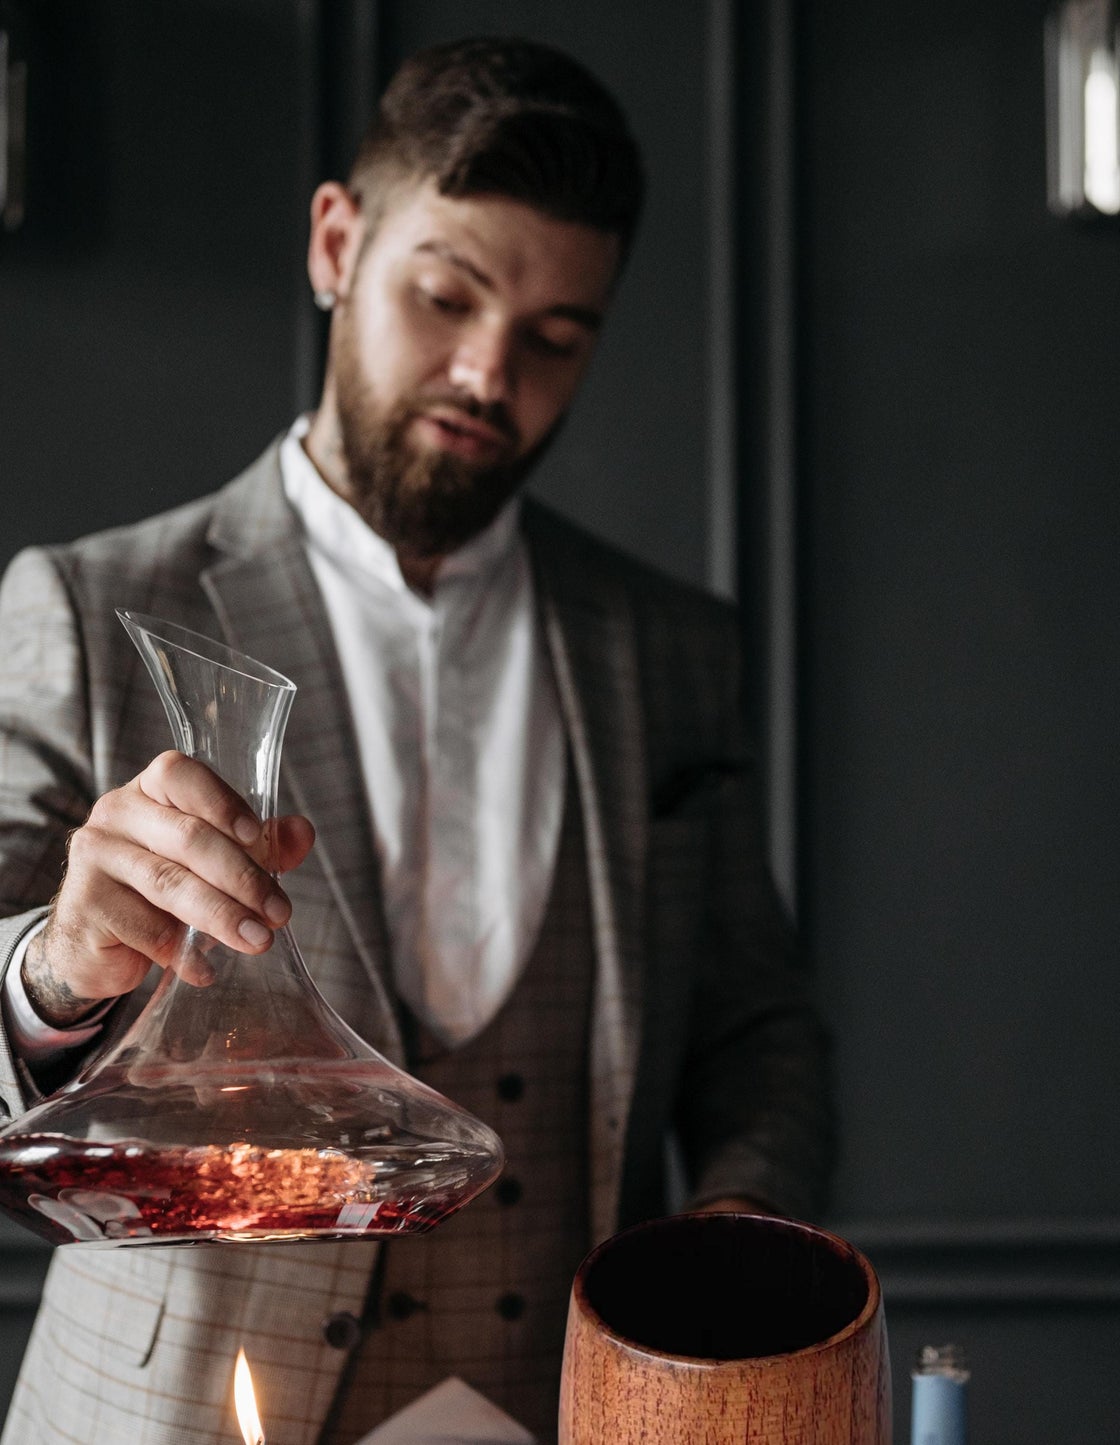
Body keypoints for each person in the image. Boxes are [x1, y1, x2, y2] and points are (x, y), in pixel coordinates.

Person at [0, 36, 832, 1445]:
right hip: (174, 1409)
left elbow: (756, 1027)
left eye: (554, 338)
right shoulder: (87, 605)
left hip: (566, 1407)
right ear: (337, 244)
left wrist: (735, 1236)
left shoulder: (670, 647)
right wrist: (59, 967)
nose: (485, 373)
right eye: (444, 296)